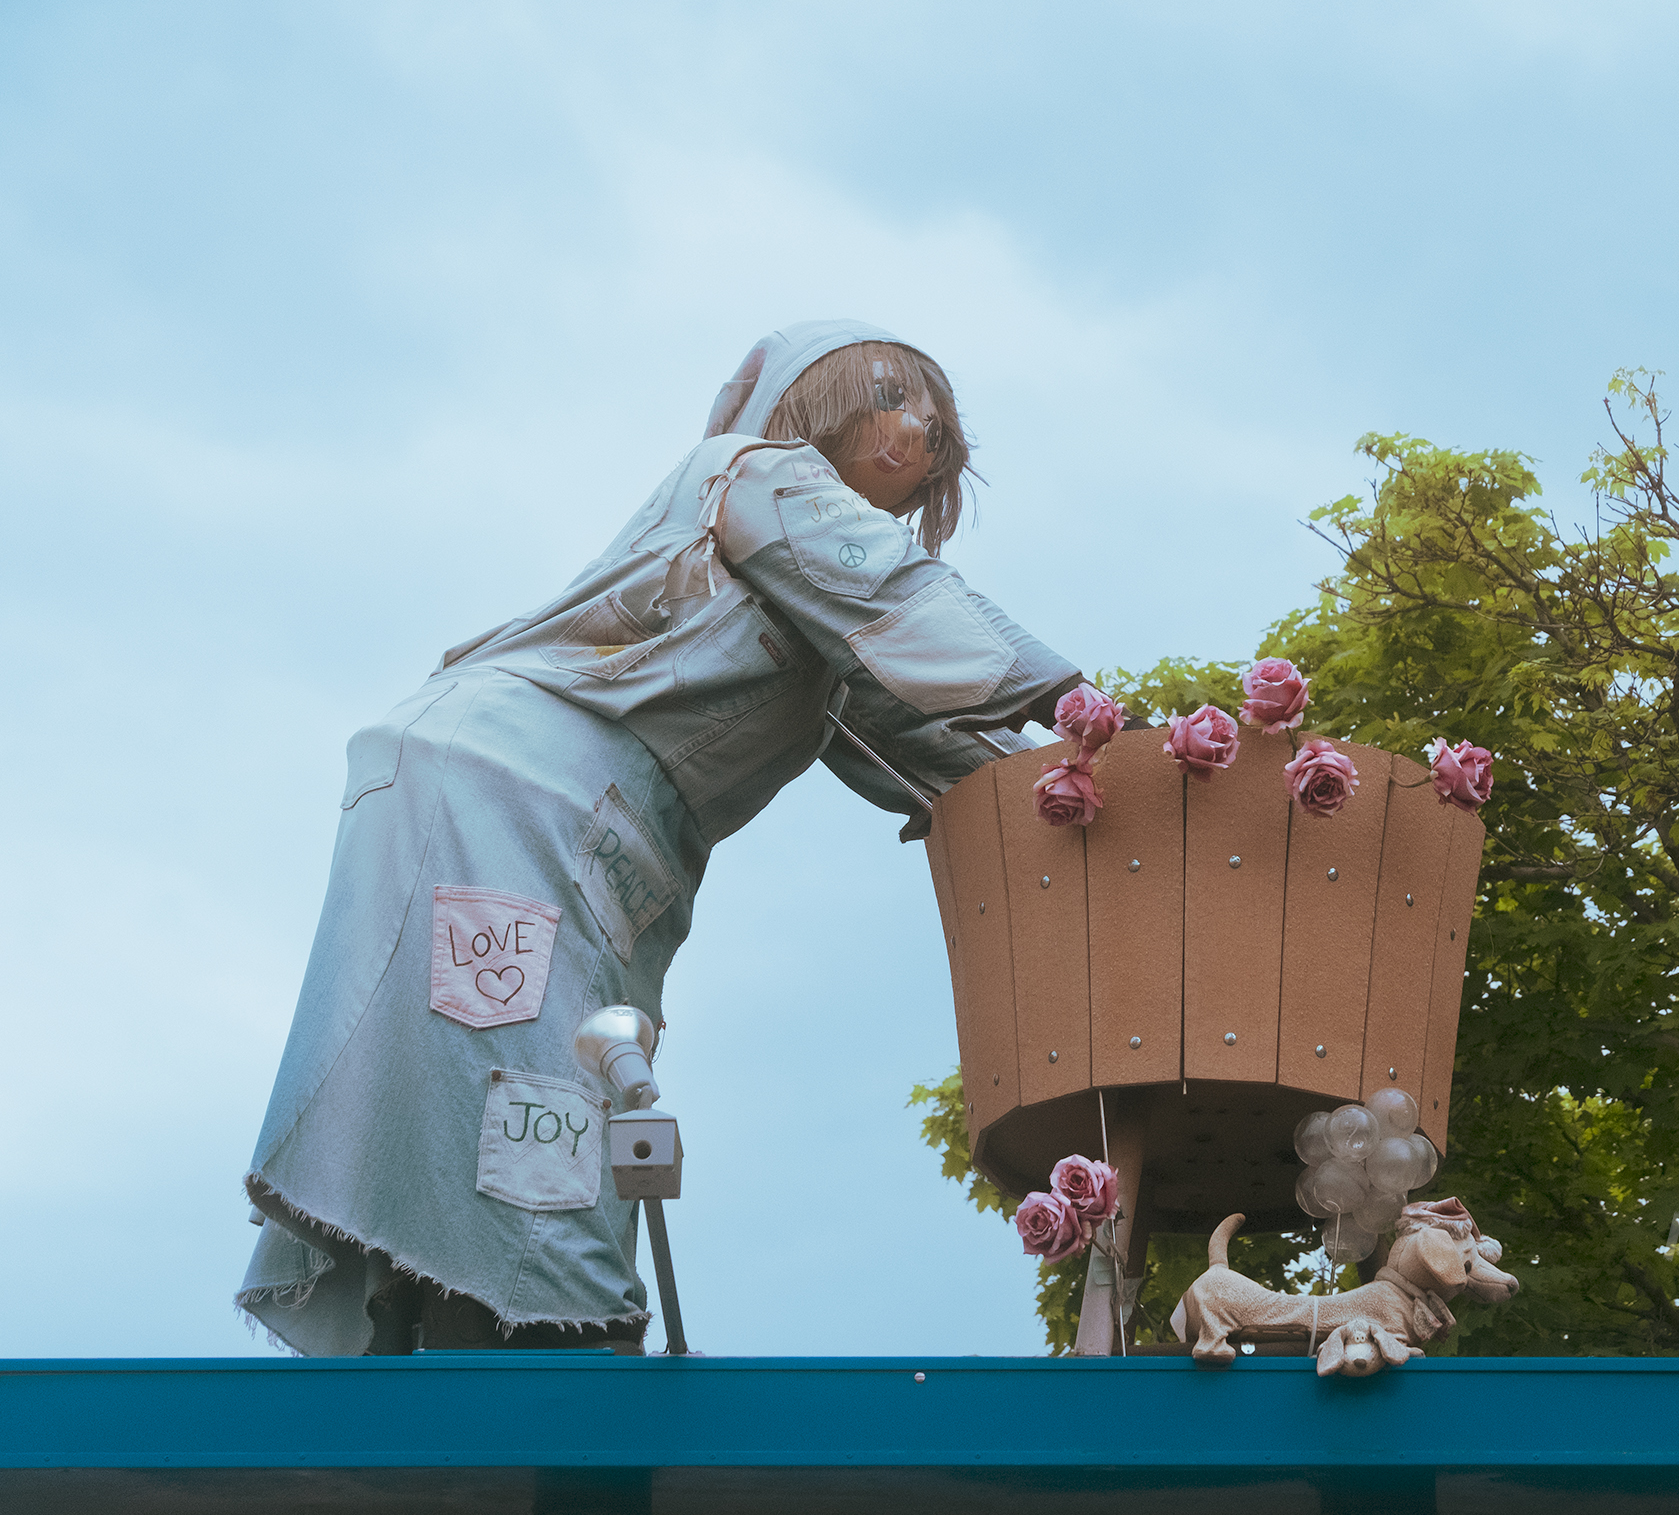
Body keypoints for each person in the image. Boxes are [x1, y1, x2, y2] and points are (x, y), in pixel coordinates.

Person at [236, 319, 1080, 1354]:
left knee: (485, 1070)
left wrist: (1094, 783)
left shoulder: (826, 620)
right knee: (544, 1075)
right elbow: (902, 595)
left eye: (936, 417)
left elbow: (941, 740)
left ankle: (463, 1314)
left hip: (536, 812)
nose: (927, 427)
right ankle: (565, 1326)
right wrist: (1077, 696)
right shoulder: (754, 474)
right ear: (813, 403)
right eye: (894, 397)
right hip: (514, 795)